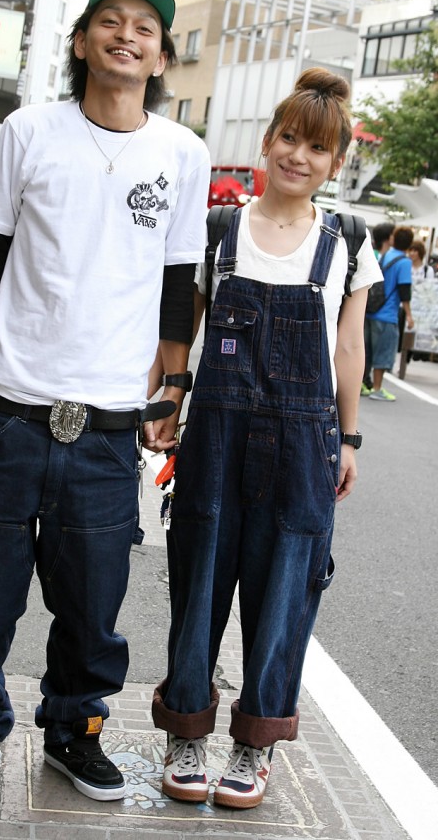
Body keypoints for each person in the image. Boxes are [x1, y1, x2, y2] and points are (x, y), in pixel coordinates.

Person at [0, 0, 211, 800]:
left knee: (92, 600)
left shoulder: (181, 153)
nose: (127, 35)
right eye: (110, 21)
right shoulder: (30, 131)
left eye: (145, 27)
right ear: (82, 42)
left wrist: (170, 389)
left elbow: (180, 284)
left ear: (160, 55)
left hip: (110, 429)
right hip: (17, 415)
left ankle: (77, 730)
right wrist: (35, 321)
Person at [150, 68, 381, 809]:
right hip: (215, 435)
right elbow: (180, 328)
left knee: (285, 594)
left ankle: (253, 746)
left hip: (305, 442)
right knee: (199, 585)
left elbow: (350, 350)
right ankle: (186, 728)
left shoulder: (348, 240)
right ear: (266, 141)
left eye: (318, 147)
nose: (299, 156)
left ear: (335, 161)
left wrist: (347, 437)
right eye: (289, 138)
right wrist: (170, 395)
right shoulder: (220, 231)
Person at [365, 225, 414, 401]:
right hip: (387, 314)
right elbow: (404, 290)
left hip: (371, 310)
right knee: (384, 353)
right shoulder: (404, 261)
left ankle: (364, 384)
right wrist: (408, 315)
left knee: (367, 351)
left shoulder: (386, 255)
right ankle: (377, 389)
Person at [361, 221, 393, 393]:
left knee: (365, 346)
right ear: (389, 238)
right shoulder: (379, 256)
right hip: (376, 308)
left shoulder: (376, 254)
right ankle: (364, 381)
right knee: (365, 347)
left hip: (367, 307)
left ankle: (364, 380)